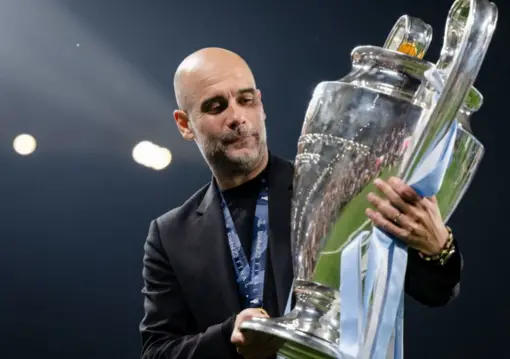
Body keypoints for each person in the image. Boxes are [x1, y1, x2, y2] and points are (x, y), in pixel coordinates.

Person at [139, 47, 463, 359]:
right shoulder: (169, 236)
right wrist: (228, 338)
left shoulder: (335, 192)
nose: (237, 117)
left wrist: (438, 249)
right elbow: (158, 350)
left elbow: (432, 292)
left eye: (245, 99)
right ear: (184, 124)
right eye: (216, 106)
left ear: (261, 106)